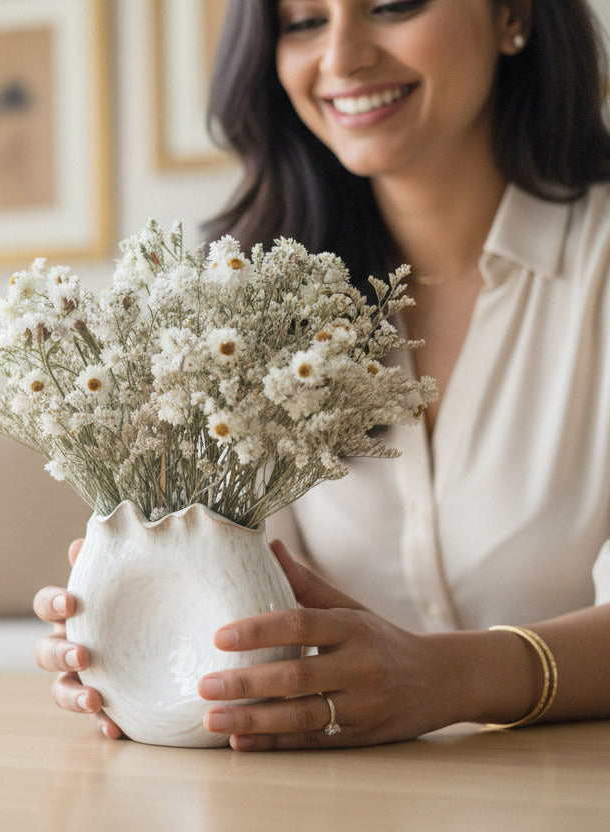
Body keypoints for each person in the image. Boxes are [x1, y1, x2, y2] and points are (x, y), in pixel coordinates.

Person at [33, 0, 610, 750]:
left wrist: (450, 678)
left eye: (392, 5)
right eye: (303, 21)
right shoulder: (244, 316)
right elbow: (237, 617)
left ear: (510, 15)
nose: (341, 57)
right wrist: (124, 638)